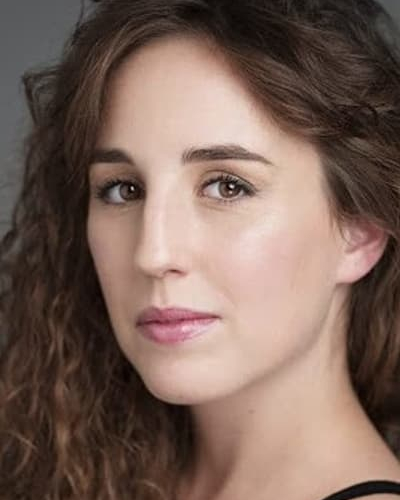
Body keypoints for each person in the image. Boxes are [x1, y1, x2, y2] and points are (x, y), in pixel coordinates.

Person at [1, 0, 400, 498]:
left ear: (360, 231)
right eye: (123, 189)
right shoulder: (82, 472)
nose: (152, 253)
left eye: (227, 187)